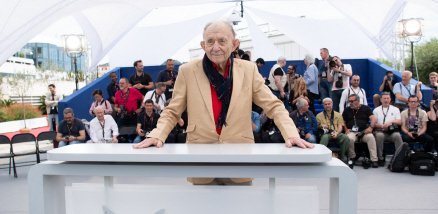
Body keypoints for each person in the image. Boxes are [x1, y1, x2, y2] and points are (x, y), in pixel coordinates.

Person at [133, 20, 313, 185]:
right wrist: (157, 135)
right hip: (200, 161)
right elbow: (173, 110)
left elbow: (273, 105)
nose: (215, 47)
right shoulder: (188, 71)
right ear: (203, 45)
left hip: (240, 161)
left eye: (222, 41)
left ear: (235, 44)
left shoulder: (248, 70)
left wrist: (291, 133)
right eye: (210, 42)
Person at [342, 94, 378, 168]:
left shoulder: (366, 108)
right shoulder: (347, 110)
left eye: (352, 101)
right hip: (352, 131)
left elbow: (373, 119)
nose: (350, 103)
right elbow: (343, 121)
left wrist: (371, 128)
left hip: (364, 131)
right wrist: (345, 129)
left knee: (371, 138)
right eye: (349, 101)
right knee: (349, 138)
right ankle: (352, 158)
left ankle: (374, 160)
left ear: (358, 101)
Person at [372, 92, 403, 166]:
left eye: (388, 98)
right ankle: (380, 158)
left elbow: (399, 121)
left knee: (397, 136)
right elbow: (374, 124)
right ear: (381, 100)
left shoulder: (395, 109)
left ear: (390, 99)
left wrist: (391, 121)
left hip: (392, 132)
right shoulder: (376, 110)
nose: (386, 100)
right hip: (380, 131)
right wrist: (382, 126)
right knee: (379, 136)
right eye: (384, 98)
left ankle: (399, 157)